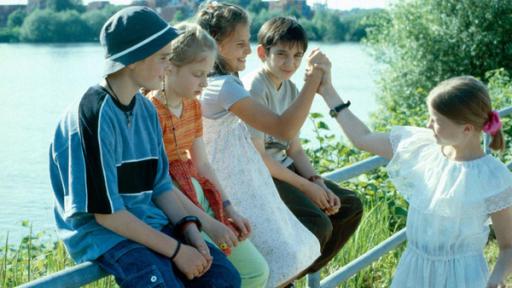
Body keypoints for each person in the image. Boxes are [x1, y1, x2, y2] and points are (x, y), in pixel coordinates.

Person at [48, 7, 240, 287]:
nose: (167, 67)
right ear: (134, 59)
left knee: (224, 277)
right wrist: (176, 251)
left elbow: (161, 187)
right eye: (163, 58)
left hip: (148, 221)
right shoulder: (92, 114)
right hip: (105, 234)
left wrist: (191, 233)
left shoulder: (146, 110)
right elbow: (107, 215)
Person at [319, 74, 512, 288]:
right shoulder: (422, 149)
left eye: (436, 121)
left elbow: (508, 245)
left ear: (466, 129)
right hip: (413, 274)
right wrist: (327, 90)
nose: (428, 125)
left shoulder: (494, 177)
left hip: (464, 279)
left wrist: (496, 278)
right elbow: (362, 138)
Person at [196, 2, 329, 287]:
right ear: (217, 45)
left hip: (230, 179)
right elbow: (283, 128)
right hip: (238, 184)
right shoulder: (226, 87)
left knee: (278, 258)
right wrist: (312, 81)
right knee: (287, 255)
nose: (247, 50)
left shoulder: (209, 82)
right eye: (241, 44)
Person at [145, 23, 269, 287]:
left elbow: (202, 164)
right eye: (198, 74)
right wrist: (208, 224)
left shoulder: (192, 105)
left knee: (257, 272)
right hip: (174, 205)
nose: (205, 82)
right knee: (229, 277)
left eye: (208, 74)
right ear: (169, 68)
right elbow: (160, 184)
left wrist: (228, 207)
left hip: (197, 192)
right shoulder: (150, 112)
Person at [242, 16, 363, 276]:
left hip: (285, 166)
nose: (290, 63)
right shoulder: (255, 87)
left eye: (298, 56)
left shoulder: (291, 89)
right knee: (318, 225)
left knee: (349, 205)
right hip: (264, 173)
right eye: (282, 54)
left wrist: (316, 181)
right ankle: (281, 278)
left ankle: (291, 275)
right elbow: (259, 157)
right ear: (263, 53)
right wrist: (307, 187)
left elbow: (294, 149)